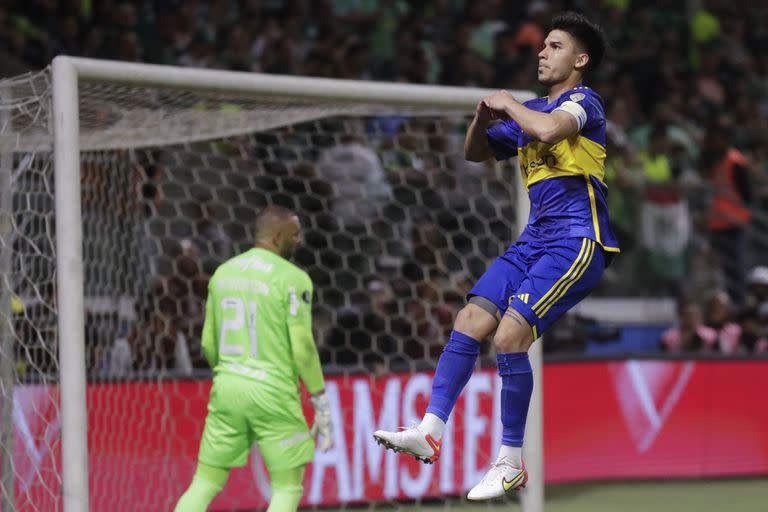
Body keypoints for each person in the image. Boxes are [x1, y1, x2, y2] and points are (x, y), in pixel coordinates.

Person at [374, 11, 618, 501]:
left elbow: (549, 132)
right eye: (543, 46)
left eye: (554, 46)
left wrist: (505, 102)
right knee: (469, 319)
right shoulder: (529, 109)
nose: (543, 52)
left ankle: (510, 463)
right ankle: (430, 430)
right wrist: (483, 119)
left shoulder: (583, 103)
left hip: (576, 240)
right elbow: (476, 153)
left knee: (509, 335)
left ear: (580, 58)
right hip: (533, 240)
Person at [174, 205, 333, 512]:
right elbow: (302, 346)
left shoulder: (223, 273)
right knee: (287, 488)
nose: (299, 240)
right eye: (295, 234)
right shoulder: (293, 278)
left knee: (204, 483)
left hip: (228, 389)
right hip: (272, 392)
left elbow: (208, 342)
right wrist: (319, 397)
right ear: (277, 236)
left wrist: (230, 373)